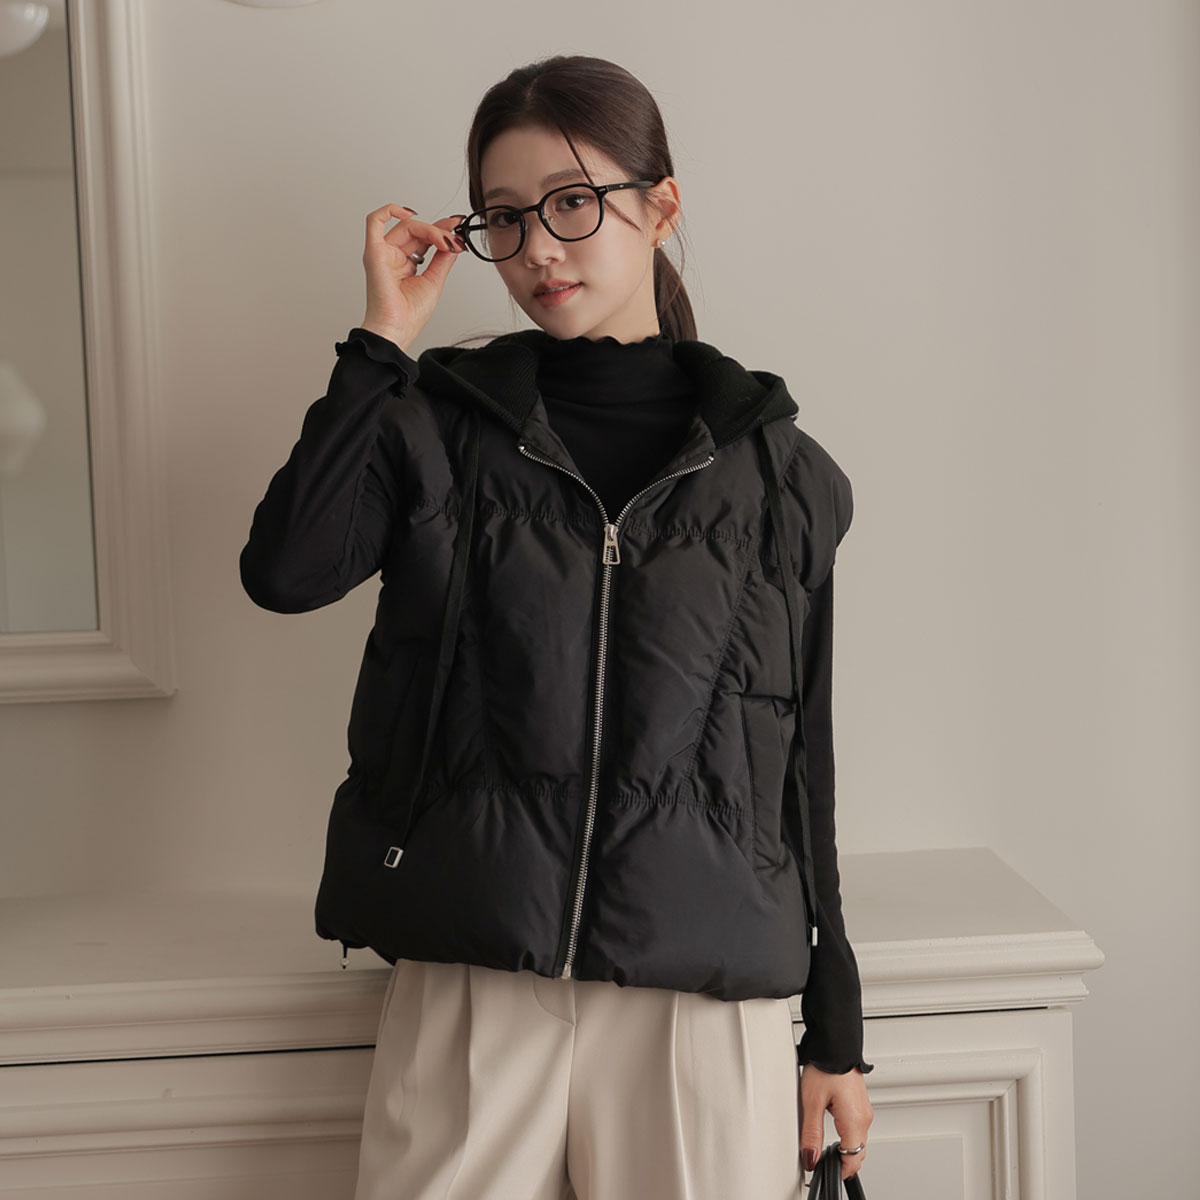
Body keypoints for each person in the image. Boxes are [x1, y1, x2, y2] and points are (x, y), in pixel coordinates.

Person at [240, 53, 872, 1200]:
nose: (537, 246)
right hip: (475, 980)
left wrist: (837, 1030)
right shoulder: (435, 426)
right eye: (504, 216)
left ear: (661, 206)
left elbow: (802, 758)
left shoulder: (782, 474)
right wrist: (382, 341)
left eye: (572, 202)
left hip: (700, 1001)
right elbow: (285, 572)